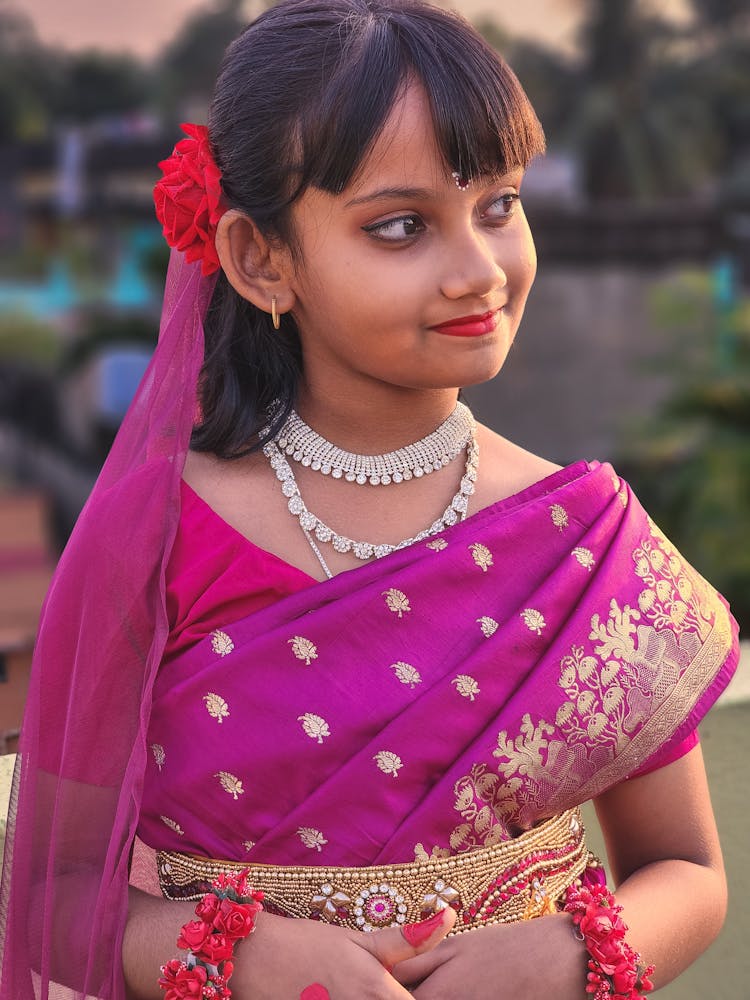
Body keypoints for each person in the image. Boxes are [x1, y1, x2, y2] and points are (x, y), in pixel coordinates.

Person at [0, 2, 739, 998]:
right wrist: (237, 950)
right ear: (262, 259)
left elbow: (688, 871)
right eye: (401, 227)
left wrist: (568, 952)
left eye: (499, 205)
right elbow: (54, 887)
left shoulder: (584, 543)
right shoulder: (161, 536)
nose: (480, 271)